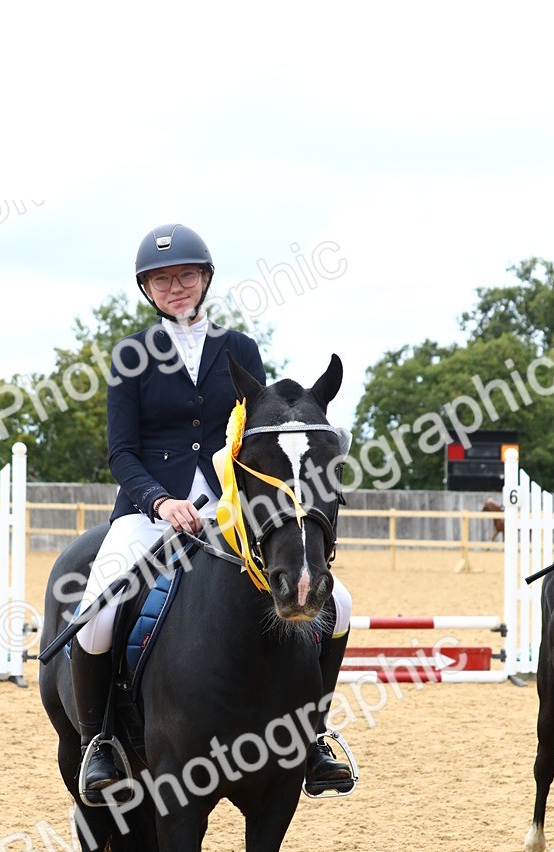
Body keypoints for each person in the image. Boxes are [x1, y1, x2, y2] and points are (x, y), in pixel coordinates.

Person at [71, 222, 354, 801]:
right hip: (150, 509)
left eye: (186, 275)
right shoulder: (131, 354)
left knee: (339, 604)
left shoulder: (240, 349)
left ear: (205, 280)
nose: (176, 286)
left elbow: (259, 430)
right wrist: (161, 501)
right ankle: (100, 741)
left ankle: (315, 734)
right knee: (98, 610)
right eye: (162, 279)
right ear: (147, 288)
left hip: (228, 511)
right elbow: (120, 451)